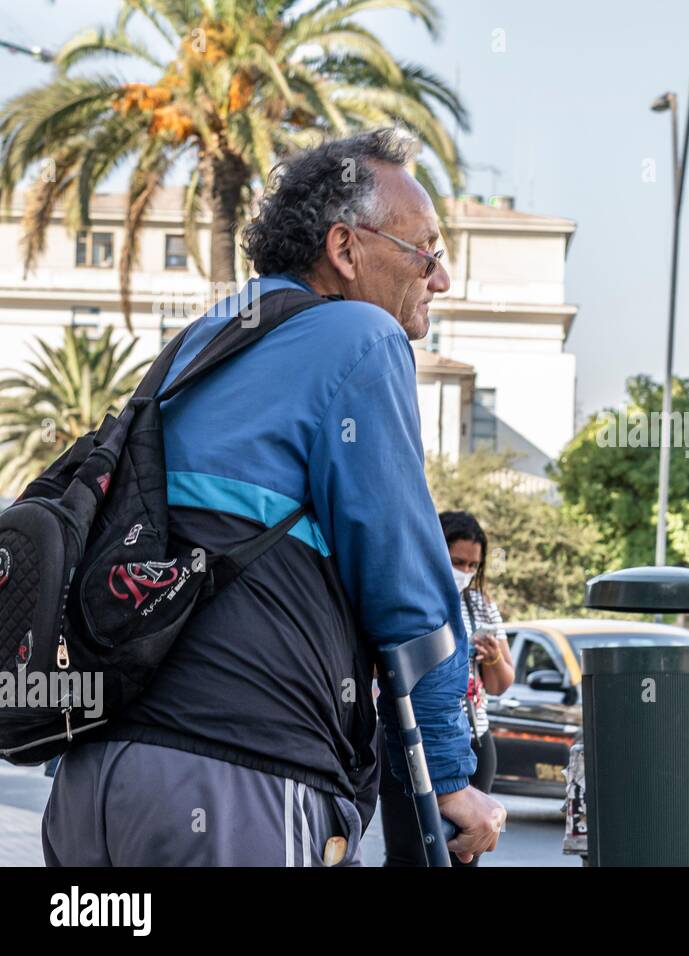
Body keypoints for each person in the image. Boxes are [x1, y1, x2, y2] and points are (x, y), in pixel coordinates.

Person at [42, 128, 505, 866]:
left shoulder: (197, 341)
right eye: (428, 252)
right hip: (239, 780)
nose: (439, 279)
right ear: (345, 249)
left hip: (93, 786)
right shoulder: (361, 335)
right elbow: (408, 588)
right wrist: (449, 777)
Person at [380, 510, 514, 867]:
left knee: (463, 854)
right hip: (413, 738)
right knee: (411, 854)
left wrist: (494, 658)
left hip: (472, 738)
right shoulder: (407, 599)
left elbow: (501, 683)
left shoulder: (482, 607)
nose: (465, 573)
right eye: (458, 562)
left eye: (473, 566)